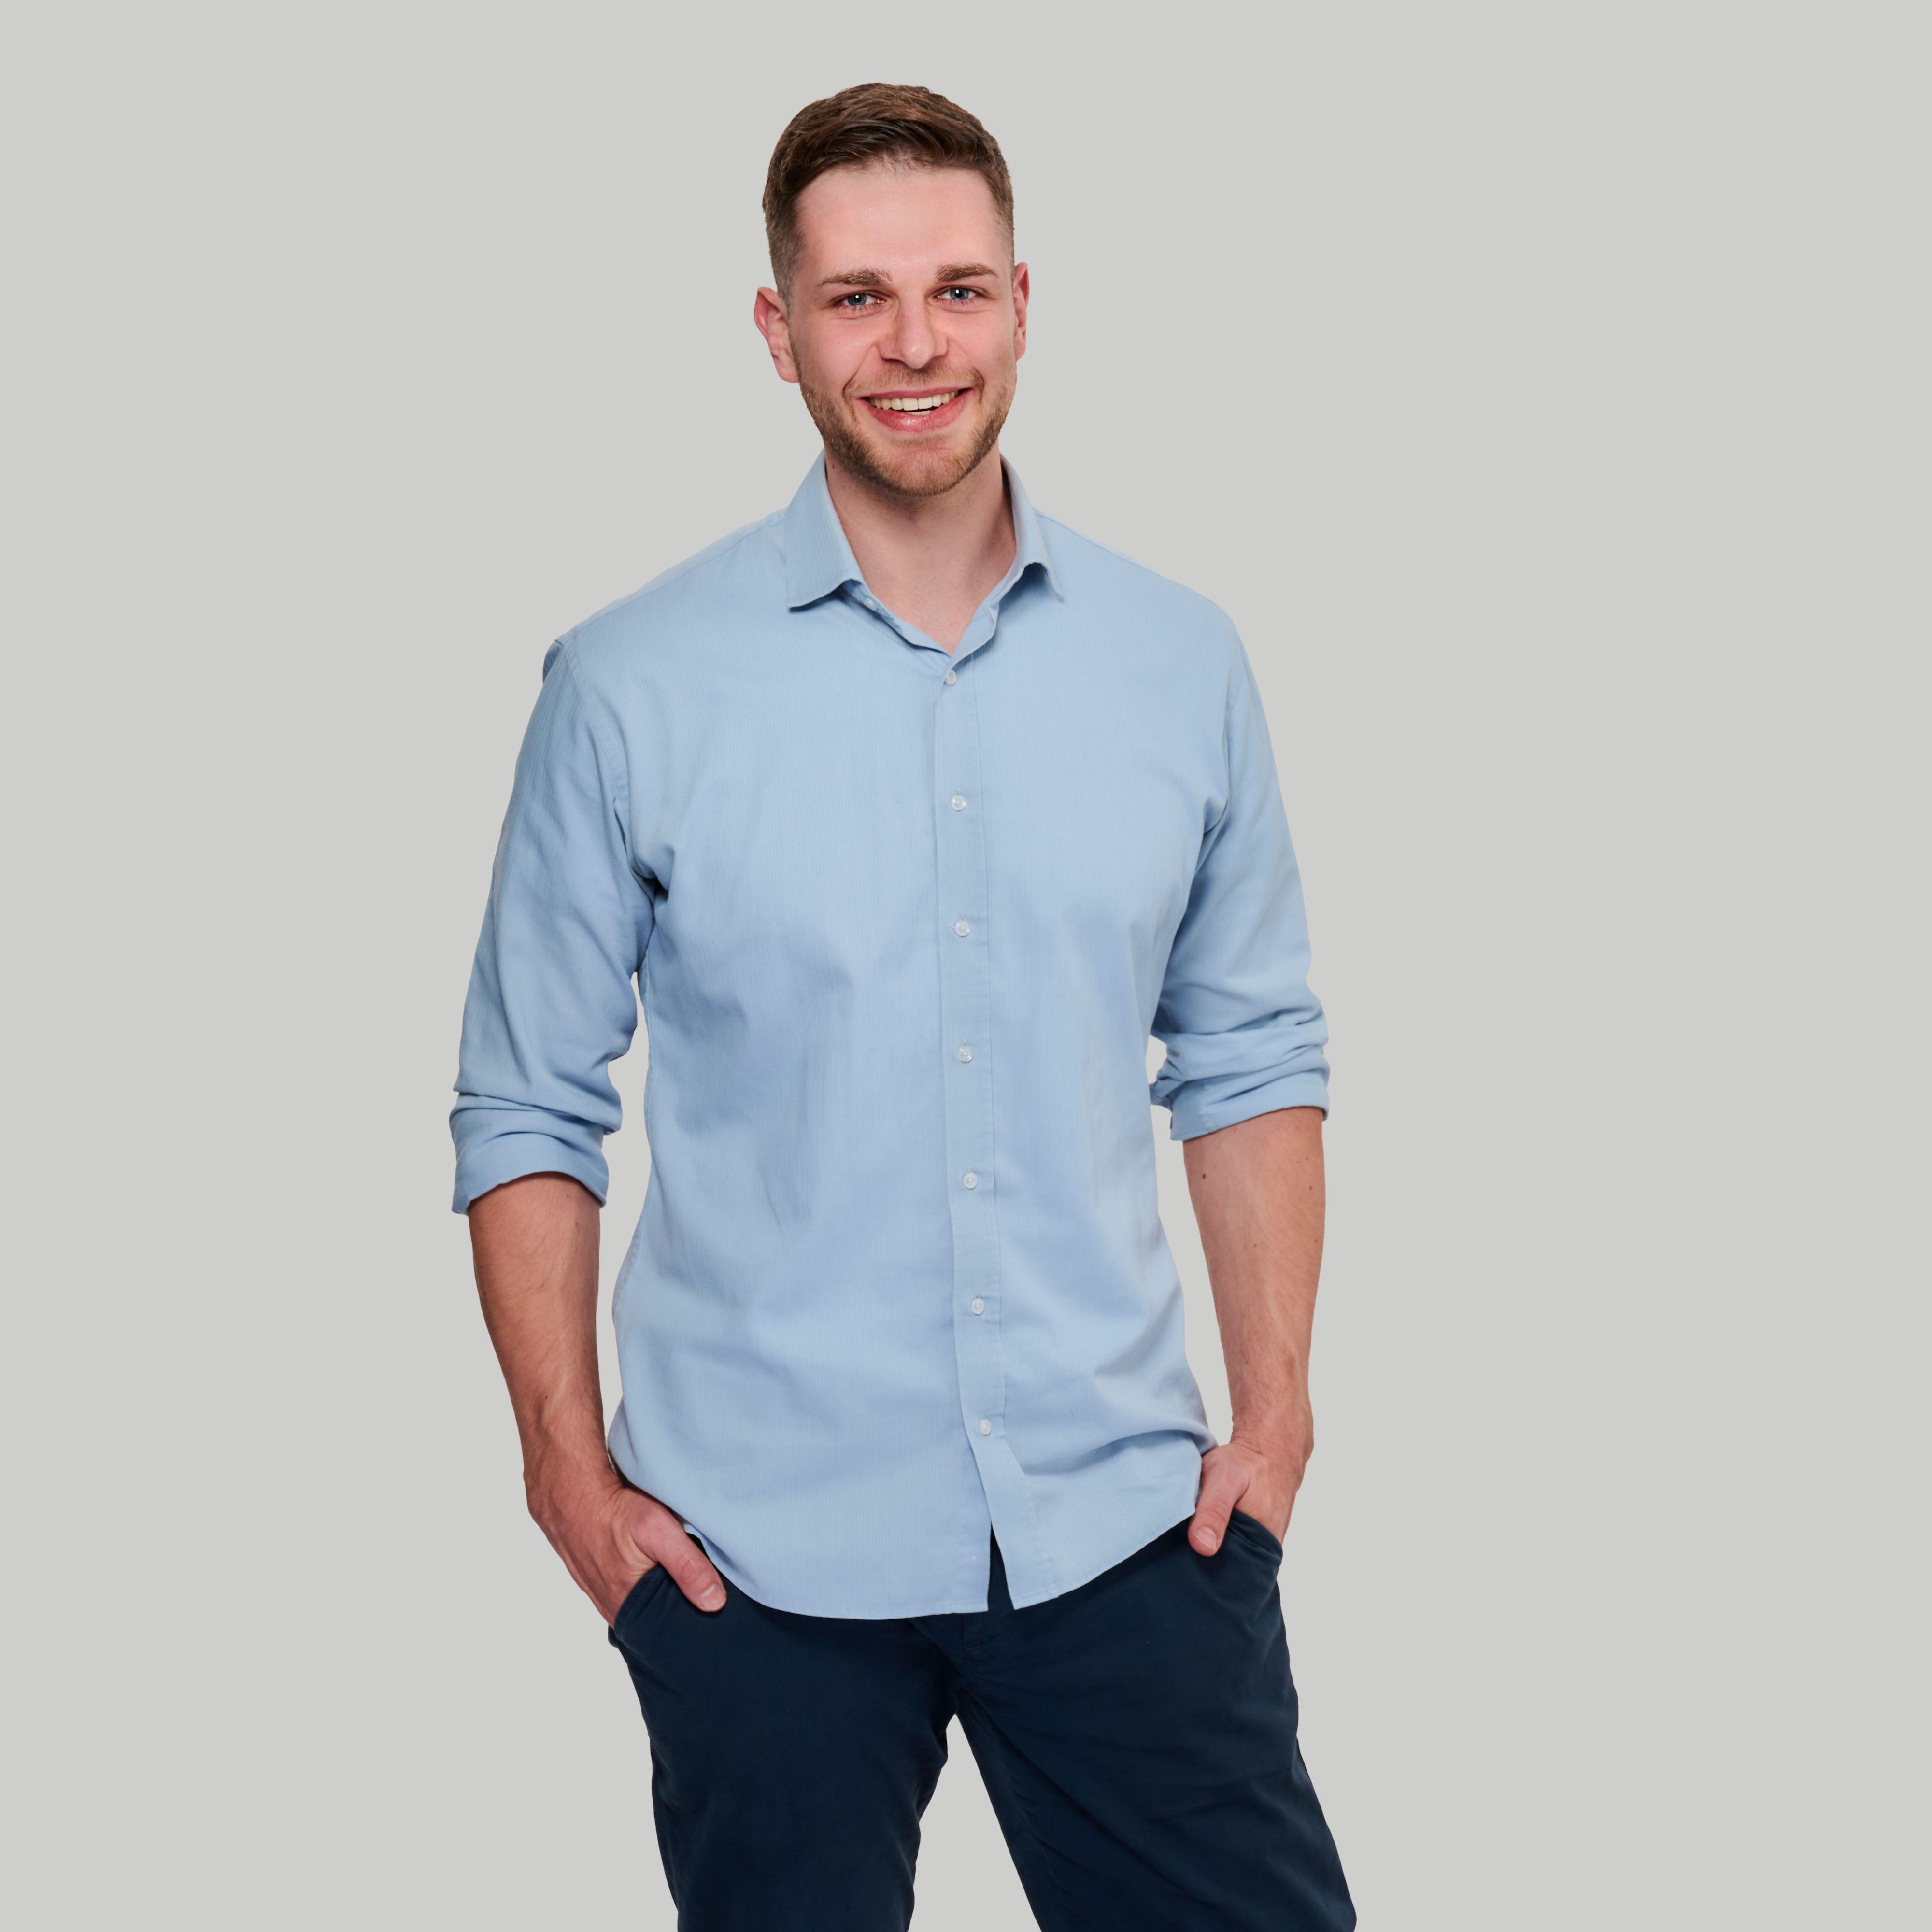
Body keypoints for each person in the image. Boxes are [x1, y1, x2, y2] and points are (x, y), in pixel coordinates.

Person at [452, 81, 1355, 1932]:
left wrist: (1272, 1423)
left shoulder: (1180, 662)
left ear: (1025, 303)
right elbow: (529, 1101)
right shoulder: (629, 686)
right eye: (857, 298)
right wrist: (565, 1472)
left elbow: (1249, 1051)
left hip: (1125, 1530)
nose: (916, 344)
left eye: (957, 289)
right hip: (751, 1570)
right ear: (777, 330)